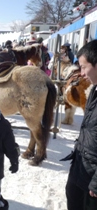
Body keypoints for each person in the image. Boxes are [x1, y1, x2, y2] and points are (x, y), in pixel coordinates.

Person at [63, 39, 97, 210]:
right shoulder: (94, 90)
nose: (81, 73)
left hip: (93, 179)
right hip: (81, 167)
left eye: (84, 67)